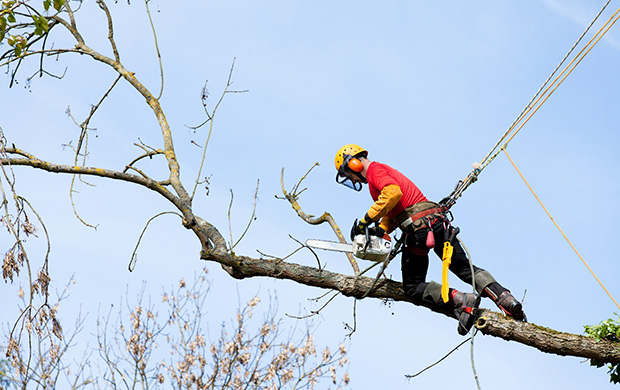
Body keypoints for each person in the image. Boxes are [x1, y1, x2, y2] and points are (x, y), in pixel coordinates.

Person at [335, 144, 526, 335]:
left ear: (353, 163)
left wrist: (366, 220)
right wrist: (380, 229)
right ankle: (505, 298)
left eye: (347, 173)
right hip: (436, 224)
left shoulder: (375, 171)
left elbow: (393, 194)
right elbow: (394, 209)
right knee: (464, 268)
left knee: (413, 286)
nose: (351, 178)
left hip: (419, 230)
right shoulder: (381, 173)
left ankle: (459, 300)